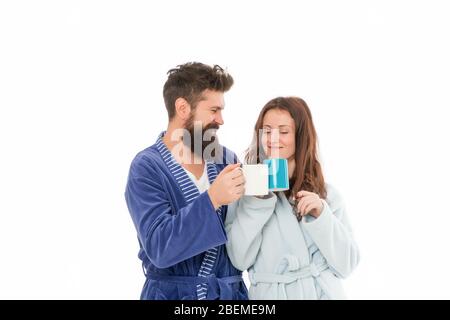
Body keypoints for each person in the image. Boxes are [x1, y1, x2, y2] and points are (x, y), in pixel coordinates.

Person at [125, 62, 248, 300]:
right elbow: (159, 247)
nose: (221, 120)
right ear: (182, 108)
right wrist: (212, 199)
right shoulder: (147, 166)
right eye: (214, 110)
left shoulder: (226, 158)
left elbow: (245, 231)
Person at [225, 96, 360, 299]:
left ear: (301, 136)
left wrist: (322, 215)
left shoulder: (327, 195)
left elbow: (347, 265)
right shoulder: (244, 194)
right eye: (267, 131)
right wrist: (256, 203)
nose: (273, 139)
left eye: (284, 131)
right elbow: (239, 260)